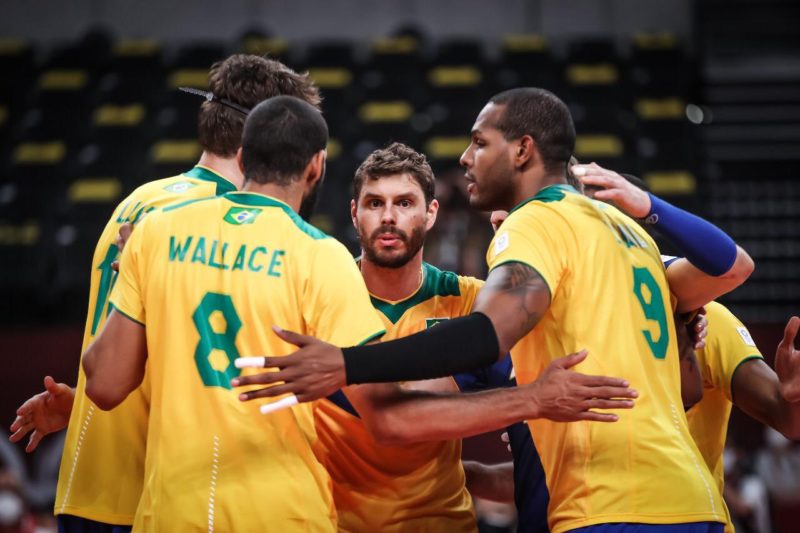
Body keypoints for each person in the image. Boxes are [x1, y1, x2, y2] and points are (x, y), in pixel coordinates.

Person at [236, 88, 731, 532]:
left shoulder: (507, 257)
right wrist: (676, 297)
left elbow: (480, 345)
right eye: (374, 203)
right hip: (686, 495)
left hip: (604, 505)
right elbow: (730, 270)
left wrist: (345, 365)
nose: (467, 158)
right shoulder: (622, 231)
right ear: (353, 213)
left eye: (479, 143)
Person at [8, 54, 322, 532]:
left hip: (90, 481)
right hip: (159, 495)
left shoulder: (142, 200)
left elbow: (142, 348)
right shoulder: (225, 221)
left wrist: (82, 405)